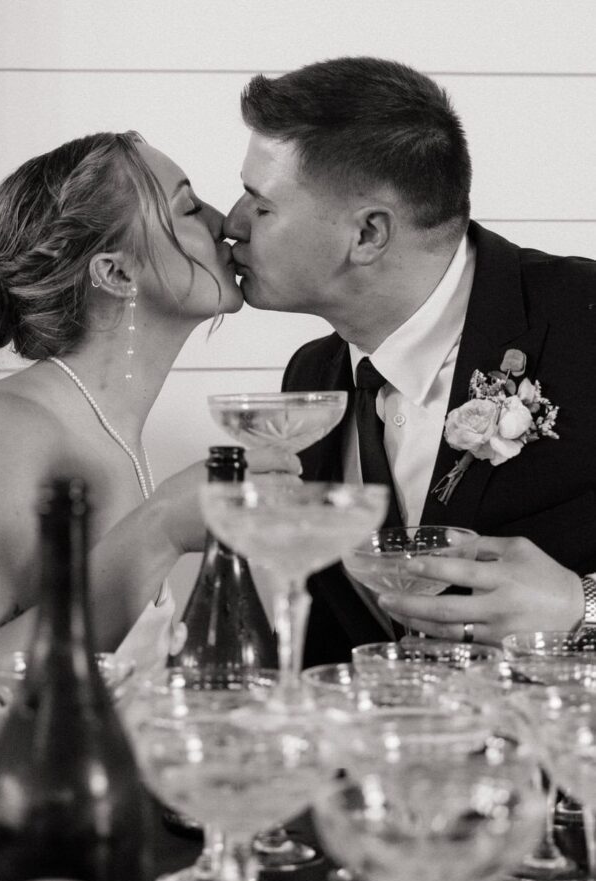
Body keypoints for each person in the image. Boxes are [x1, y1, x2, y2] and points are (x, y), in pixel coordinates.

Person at [0, 130, 297, 813]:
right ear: (116, 273)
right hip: (9, 865)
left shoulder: (110, 430)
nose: (227, 223)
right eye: (188, 208)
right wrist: (159, 532)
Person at [224, 55, 596, 662]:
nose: (232, 224)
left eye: (260, 205)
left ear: (369, 233)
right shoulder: (311, 379)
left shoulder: (584, 317)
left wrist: (582, 607)